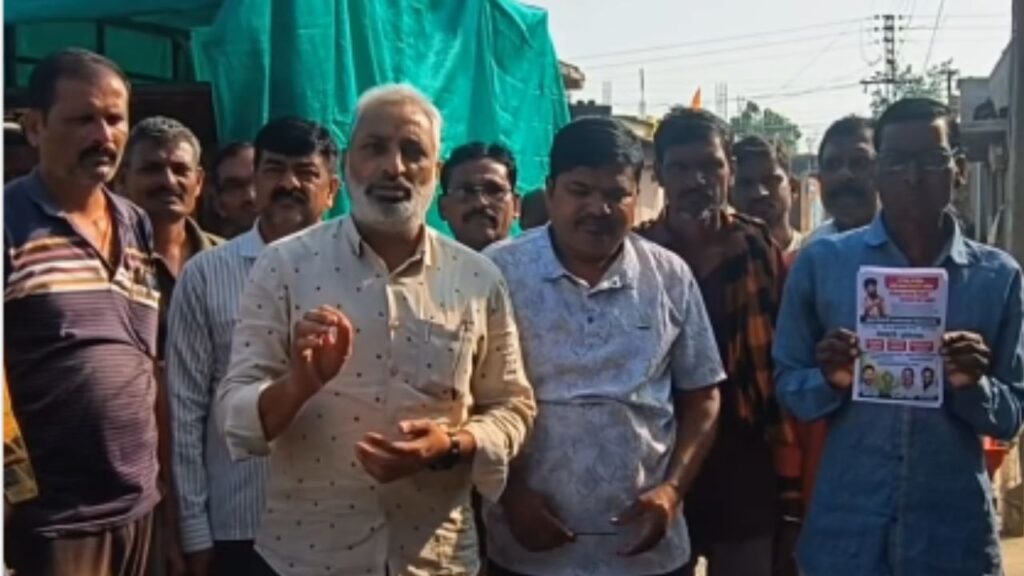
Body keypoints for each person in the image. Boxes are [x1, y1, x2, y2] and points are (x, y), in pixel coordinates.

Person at [215, 84, 536, 575]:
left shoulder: (477, 278)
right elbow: (234, 410)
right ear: (347, 164)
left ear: (435, 170)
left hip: (436, 560)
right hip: (306, 558)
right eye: (375, 148)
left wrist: (452, 444)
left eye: (413, 152)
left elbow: (512, 404)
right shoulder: (284, 265)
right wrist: (300, 384)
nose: (394, 167)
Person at [774, 97, 1024, 576]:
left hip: (952, 539)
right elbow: (790, 389)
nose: (913, 177)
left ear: (960, 171)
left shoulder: (997, 278)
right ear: (878, 173)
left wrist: (974, 384)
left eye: (931, 160)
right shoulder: (824, 265)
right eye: (896, 163)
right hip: (847, 536)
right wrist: (832, 377)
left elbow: (1012, 415)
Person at [482, 117, 723, 576]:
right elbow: (469, 397)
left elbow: (704, 394)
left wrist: (672, 490)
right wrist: (510, 492)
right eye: (580, 190)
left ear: (638, 195)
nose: (599, 208)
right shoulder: (498, 274)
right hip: (528, 547)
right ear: (550, 192)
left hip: (645, 551)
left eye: (616, 194)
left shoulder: (670, 277)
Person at [4, 48, 162, 576]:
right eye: (82, 120)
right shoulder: (8, 223)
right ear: (33, 127)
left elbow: (146, 364)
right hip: (52, 525)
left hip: (140, 511)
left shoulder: (136, 224)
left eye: (115, 119)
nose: (104, 136)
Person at [168, 117, 338, 576]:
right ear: (255, 183)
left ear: (332, 189)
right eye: (274, 170)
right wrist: (194, 528)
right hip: (242, 520)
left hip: (341, 523)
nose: (288, 183)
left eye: (306, 172)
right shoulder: (206, 274)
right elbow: (186, 408)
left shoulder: (361, 274)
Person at [636, 108, 801, 576]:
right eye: (682, 168)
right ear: (660, 175)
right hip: (660, 460)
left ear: (729, 168)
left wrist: (789, 483)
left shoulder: (757, 249)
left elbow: (780, 368)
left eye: (710, 166)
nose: (697, 180)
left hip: (744, 460)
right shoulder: (638, 256)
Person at [807, 116, 878, 242]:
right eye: (833, 164)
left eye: (860, 162)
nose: (844, 175)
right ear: (820, 177)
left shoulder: (910, 244)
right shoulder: (814, 247)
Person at [439, 141, 521, 251]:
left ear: (516, 205)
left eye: (494, 191)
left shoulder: (539, 265)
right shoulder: (424, 266)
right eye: (465, 191)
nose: (480, 202)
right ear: (443, 207)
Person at [732, 135, 803, 253]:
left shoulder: (816, 257)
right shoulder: (716, 261)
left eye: (770, 181)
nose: (758, 193)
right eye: (746, 184)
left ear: (793, 188)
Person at [204, 142, 257, 238]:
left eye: (257, 182)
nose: (250, 196)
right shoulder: (210, 252)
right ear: (217, 203)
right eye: (235, 187)